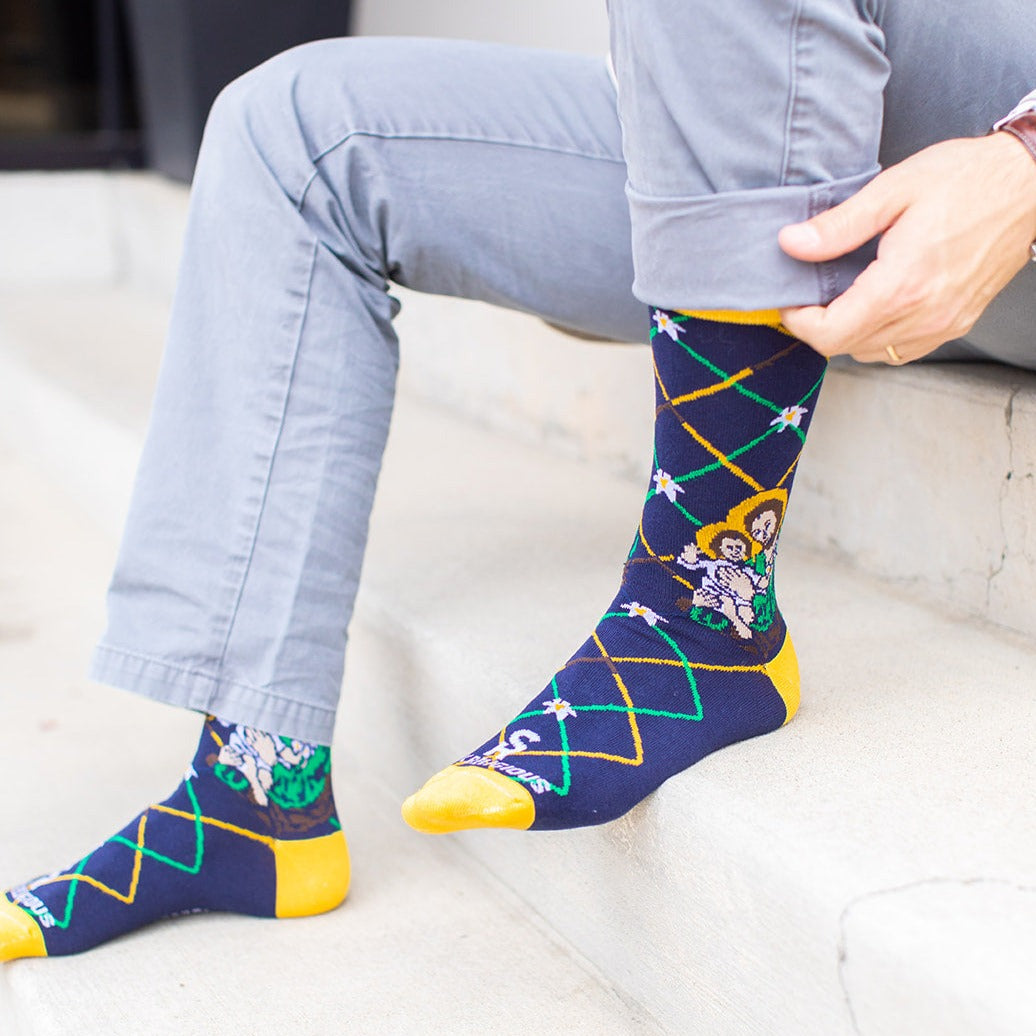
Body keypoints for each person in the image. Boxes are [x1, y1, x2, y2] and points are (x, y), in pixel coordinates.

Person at [2, 1, 1035, 961]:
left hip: (1000, 147)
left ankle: (702, 611)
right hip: (798, 165)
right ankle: (253, 788)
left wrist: (1019, 164)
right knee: (296, 132)